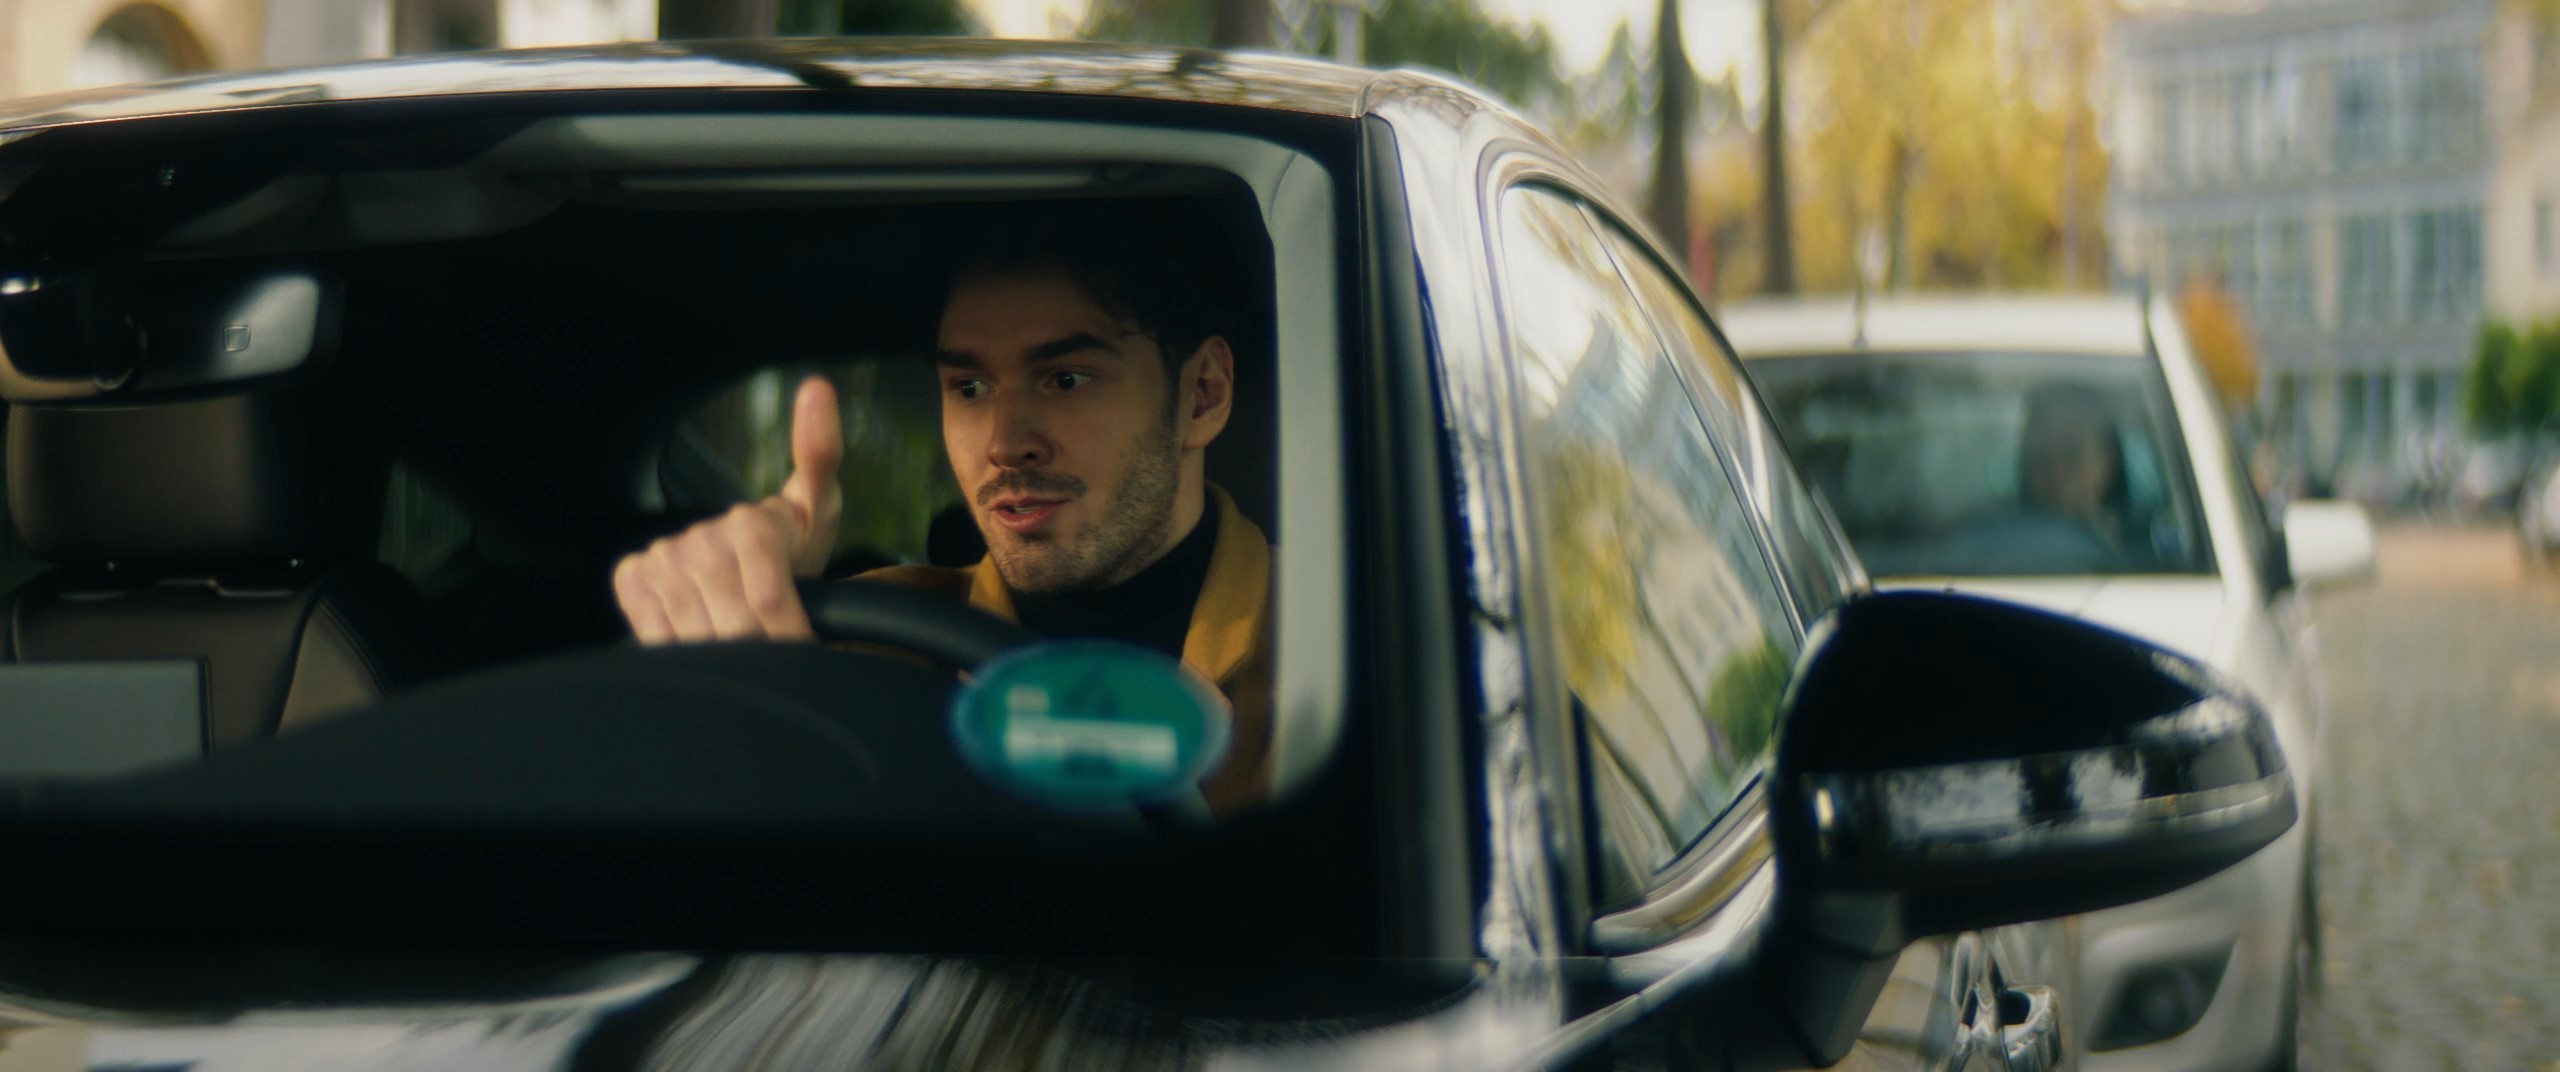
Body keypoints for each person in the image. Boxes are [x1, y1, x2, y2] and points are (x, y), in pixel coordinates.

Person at [609, 212, 1275, 813]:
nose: (1004, 444)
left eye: (1066, 379)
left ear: (1202, 397)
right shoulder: (860, 653)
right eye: (970, 387)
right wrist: (734, 641)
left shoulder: (1351, 642)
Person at [2016, 382, 2131, 554]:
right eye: (2041, 454)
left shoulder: (2143, 558)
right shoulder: (1996, 551)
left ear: (2106, 464)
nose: (2055, 471)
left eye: (2070, 453)